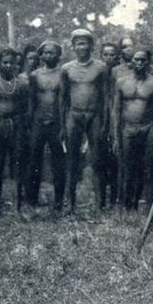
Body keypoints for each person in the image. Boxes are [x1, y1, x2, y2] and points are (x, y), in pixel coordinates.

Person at [60, 29, 109, 214]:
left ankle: (98, 204)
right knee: (72, 161)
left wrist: (105, 122)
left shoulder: (100, 67)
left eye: (85, 43)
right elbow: (62, 99)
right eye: (79, 43)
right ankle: (70, 204)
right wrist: (63, 124)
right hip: (74, 116)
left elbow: (106, 97)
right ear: (73, 46)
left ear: (91, 46)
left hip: (94, 115)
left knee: (97, 161)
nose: (82, 47)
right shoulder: (67, 69)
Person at [113, 48, 153, 210]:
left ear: (148, 62)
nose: (140, 63)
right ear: (131, 61)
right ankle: (126, 204)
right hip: (127, 129)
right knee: (127, 167)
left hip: (148, 128)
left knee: (148, 167)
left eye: (143, 60)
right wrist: (115, 137)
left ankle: (149, 205)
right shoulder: (121, 82)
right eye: (137, 59)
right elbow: (116, 110)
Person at [0, 48, 30, 216]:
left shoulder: (23, 84)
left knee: (18, 164)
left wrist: (24, 129)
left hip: (16, 125)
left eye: (12, 63)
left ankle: (17, 208)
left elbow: (26, 109)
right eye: (5, 62)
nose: (9, 66)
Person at [26, 40, 65, 212]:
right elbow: (31, 101)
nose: (48, 55)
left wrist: (64, 125)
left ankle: (58, 202)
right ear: (40, 55)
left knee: (59, 163)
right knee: (34, 160)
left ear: (58, 55)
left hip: (57, 123)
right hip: (38, 122)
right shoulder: (35, 75)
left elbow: (65, 101)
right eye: (45, 53)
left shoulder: (63, 74)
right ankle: (31, 200)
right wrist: (30, 123)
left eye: (52, 52)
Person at [99, 42, 120, 209]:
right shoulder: (98, 72)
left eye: (112, 55)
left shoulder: (119, 73)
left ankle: (114, 198)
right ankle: (101, 200)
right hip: (99, 120)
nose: (108, 58)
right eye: (105, 54)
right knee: (100, 161)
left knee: (115, 160)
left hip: (115, 119)